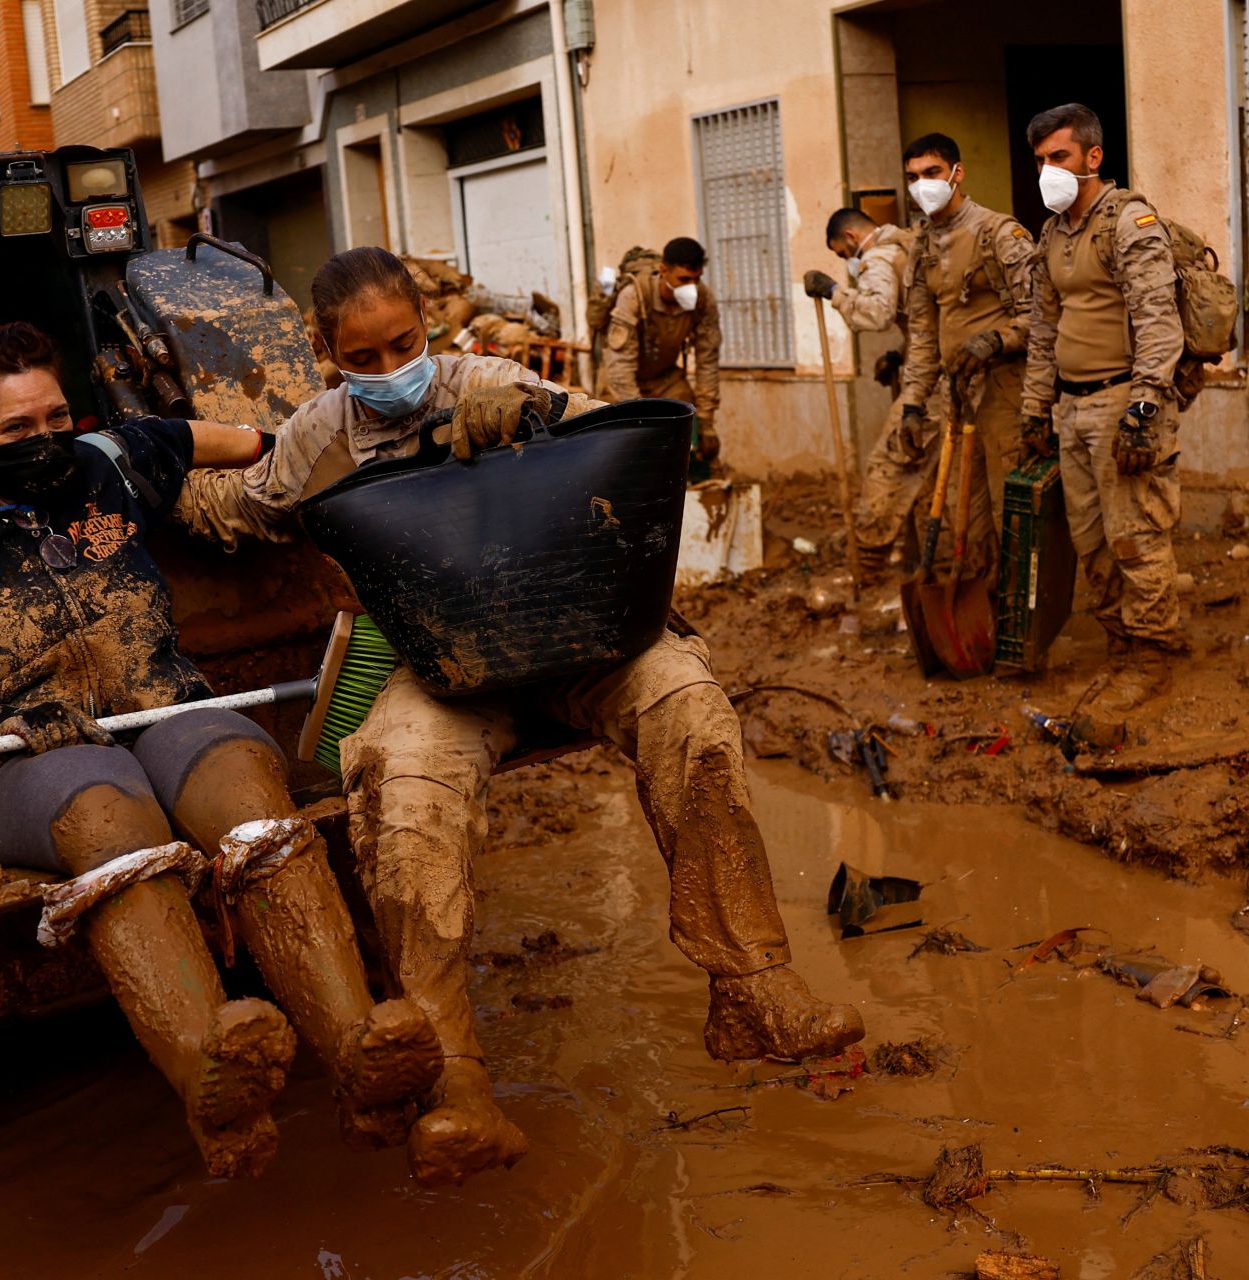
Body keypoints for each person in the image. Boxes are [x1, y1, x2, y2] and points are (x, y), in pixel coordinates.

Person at [176, 246, 864, 1188]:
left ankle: (752, 984)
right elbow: (244, 508)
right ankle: (457, 1083)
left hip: (577, 631)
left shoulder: (490, 382)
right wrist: (144, 466)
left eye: (403, 345)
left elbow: (625, 450)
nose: (388, 371)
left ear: (428, 325)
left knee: (689, 705)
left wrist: (538, 421)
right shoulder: (317, 436)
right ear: (325, 350)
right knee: (403, 789)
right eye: (361, 357)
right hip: (445, 665)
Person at [0, 320, 444, 1178]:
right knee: (106, 806)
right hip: (24, 764)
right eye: (15, 430)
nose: (45, 441)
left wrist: (342, 459)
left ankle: (359, 1052)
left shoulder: (114, 461)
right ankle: (213, 1079)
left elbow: (244, 442)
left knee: (245, 783)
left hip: (167, 712)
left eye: (55, 418)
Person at [1019, 103, 1188, 708]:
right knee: (1091, 542)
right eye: (1039, 160)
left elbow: (1157, 320)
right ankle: (1122, 647)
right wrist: (1036, 408)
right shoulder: (1052, 232)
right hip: (1071, 408)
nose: (1047, 171)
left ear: (1093, 157)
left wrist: (1144, 411)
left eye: (1058, 157)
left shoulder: (1130, 222)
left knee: (1136, 538)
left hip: (1124, 401)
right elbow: (1043, 328)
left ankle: (1153, 656)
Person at [897, 133, 1039, 577]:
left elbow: (1043, 315)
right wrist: (913, 404)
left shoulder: (999, 233)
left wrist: (997, 339)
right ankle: (981, 623)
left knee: (1011, 514)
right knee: (966, 519)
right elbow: (922, 336)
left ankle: (1024, 621)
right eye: (913, 177)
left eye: (932, 173)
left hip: (1005, 393)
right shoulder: (920, 246)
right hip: (956, 397)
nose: (922, 185)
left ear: (957, 173)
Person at [804, 208, 941, 576]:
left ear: (851, 238)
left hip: (934, 383)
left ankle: (869, 564)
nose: (847, 261)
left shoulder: (878, 257)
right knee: (929, 475)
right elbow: (922, 318)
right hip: (936, 365)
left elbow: (877, 314)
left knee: (887, 469)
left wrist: (835, 293)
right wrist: (900, 354)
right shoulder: (905, 244)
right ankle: (919, 560)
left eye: (843, 254)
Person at [598, 237, 723, 466]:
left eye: (696, 280)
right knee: (623, 450)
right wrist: (640, 421)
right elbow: (620, 367)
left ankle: (691, 484)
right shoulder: (635, 296)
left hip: (664, 379)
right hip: (619, 384)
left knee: (686, 422)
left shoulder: (703, 300)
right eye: (684, 279)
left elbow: (708, 360)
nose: (691, 287)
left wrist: (706, 422)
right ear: (663, 271)